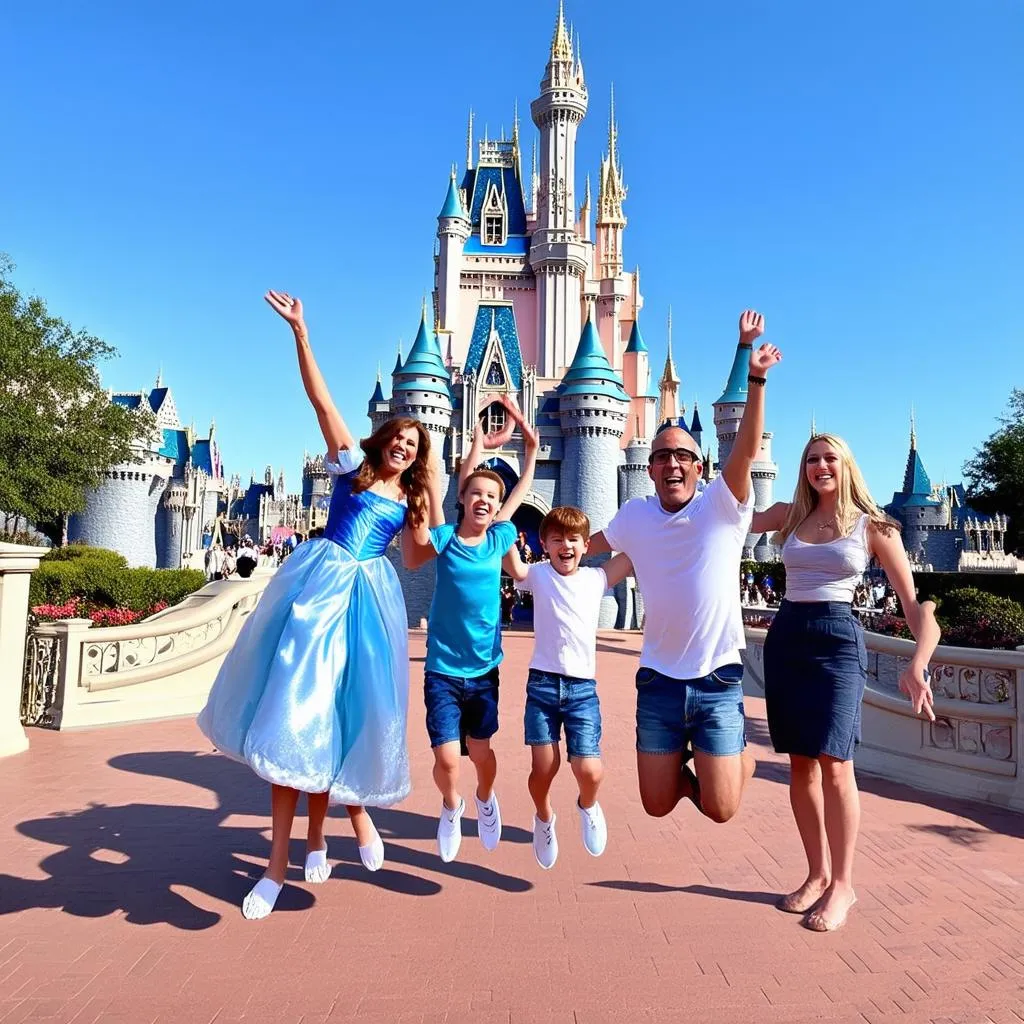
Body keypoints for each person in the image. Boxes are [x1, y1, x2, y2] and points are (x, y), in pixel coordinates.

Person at [198, 290, 436, 920]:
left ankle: (344, 822)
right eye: (401, 438)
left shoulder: (412, 500)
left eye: (416, 445)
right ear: (384, 437)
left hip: (369, 601)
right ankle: (278, 867)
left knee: (350, 711)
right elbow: (322, 399)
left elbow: (415, 561)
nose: (406, 447)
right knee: (298, 714)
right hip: (320, 586)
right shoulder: (352, 464)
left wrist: (436, 504)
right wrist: (302, 334)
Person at [587, 310, 782, 825]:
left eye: (682, 456)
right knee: (655, 804)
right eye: (661, 456)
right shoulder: (635, 515)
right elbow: (585, 545)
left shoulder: (722, 505)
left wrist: (752, 369)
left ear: (701, 467)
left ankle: (735, 761)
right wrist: (518, 552)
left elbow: (742, 449)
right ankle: (704, 760)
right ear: (647, 468)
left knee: (720, 809)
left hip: (717, 678)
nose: (672, 463)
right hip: (658, 682)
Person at [751, 433, 940, 932]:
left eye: (829, 457)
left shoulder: (874, 526)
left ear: (846, 464)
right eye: (811, 459)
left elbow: (915, 607)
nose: (820, 466)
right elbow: (725, 518)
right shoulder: (790, 515)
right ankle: (816, 874)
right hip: (787, 636)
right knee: (800, 765)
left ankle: (843, 885)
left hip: (837, 641)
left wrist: (918, 663)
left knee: (836, 763)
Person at [405, 396, 539, 862]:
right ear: (461, 498)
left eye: (491, 497)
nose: (483, 500)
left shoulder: (501, 536)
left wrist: (533, 449)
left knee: (481, 753)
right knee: (445, 758)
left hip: (483, 671)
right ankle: (450, 804)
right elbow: (416, 548)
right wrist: (474, 446)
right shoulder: (444, 539)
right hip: (442, 669)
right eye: (475, 493)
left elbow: (521, 488)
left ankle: (484, 798)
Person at [503, 507, 633, 869]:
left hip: (582, 691)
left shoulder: (596, 578)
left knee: (589, 770)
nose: (566, 546)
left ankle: (587, 805)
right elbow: (511, 561)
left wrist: (656, 514)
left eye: (573, 539)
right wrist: (503, 513)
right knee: (544, 766)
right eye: (557, 539)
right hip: (542, 686)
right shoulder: (539, 574)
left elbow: (638, 548)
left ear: (586, 544)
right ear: (544, 544)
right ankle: (543, 818)